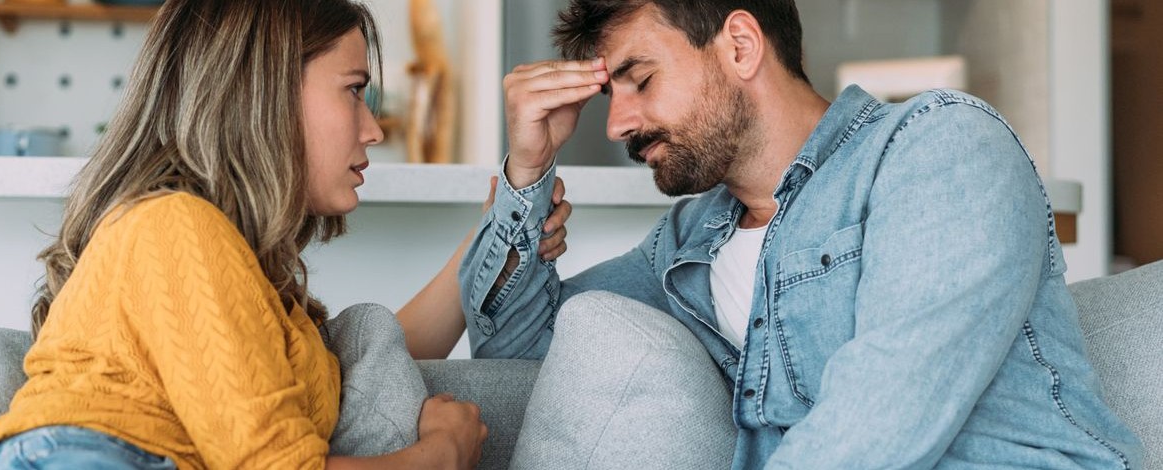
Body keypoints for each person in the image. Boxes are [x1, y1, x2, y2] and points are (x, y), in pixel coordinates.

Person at [458, 0, 1145, 468]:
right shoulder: (690, 242)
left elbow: (881, 421)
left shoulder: (938, 146)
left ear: (740, 45)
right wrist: (529, 168)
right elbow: (517, 353)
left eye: (639, 80)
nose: (616, 125)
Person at [0, 0, 572, 469]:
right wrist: (438, 453)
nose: (373, 129)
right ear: (266, 91)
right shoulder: (173, 225)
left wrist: (503, 223)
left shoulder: (247, 283)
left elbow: (378, 350)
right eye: (354, 91)